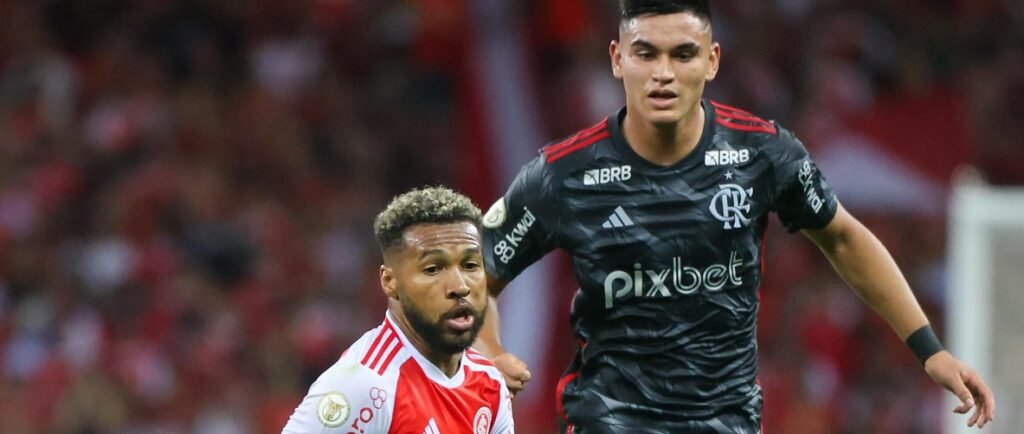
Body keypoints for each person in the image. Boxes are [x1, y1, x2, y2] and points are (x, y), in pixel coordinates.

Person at [473, 0, 995, 432]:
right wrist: (489, 350)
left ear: (712, 60)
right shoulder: (564, 173)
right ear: (616, 59)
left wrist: (930, 350)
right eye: (645, 53)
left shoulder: (761, 153)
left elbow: (842, 238)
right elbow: (478, 273)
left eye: (683, 54)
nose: (663, 73)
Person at [283, 187, 514, 434]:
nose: (460, 286)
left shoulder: (489, 382)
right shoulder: (366, 385)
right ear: (390, 282)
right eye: (433, 269)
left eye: (470, 265)